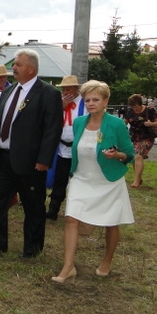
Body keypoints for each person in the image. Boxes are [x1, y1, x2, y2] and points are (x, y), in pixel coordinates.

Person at [0, 49, 62, 259]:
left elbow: (52, 130)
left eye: (18, 64)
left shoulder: (48, 93)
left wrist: (44, 159)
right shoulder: (8, 91)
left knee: (33, 205)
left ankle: (32, 248)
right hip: (3, 159)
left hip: (31, 162)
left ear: (31, 69)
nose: (13, 68)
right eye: (14, 64)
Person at [52, 80, 135, 283]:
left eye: (96, 99)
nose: (90, 103)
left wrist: (116, 155)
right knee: (71, 219)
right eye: (87, 100)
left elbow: (129, 154)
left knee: (111, 223)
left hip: (108, 181)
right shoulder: (79, 122)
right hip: (81, 177)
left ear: (106, 101)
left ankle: (107, 260)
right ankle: (68, 267)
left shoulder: (116, 124)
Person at [46, 75, 87, 221]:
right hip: (62, 148)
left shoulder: (85, 103)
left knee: (79, 180)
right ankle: (53, 209)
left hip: (79, 149)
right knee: (60, 179)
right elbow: (49, 121)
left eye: (68, 89)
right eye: (63, 89)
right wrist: (60, 108)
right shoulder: (58, 103)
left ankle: (79, 211)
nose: (65, 92)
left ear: (76, 89)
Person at [124, 94, 157, 188]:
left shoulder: (150, 110)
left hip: (147, 137)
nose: (135, 109)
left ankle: (136, 180)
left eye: (136, 107)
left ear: (141, 104)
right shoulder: (129, 111)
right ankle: (139, 178)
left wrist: (151, 124)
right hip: (133, 137)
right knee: (135, 158)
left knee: (138, 156)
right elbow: (124, 123)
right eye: (133, 107)